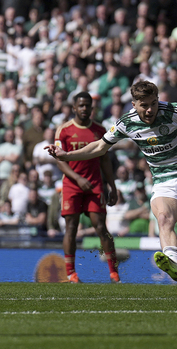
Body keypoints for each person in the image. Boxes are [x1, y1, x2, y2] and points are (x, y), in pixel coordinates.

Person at [45, 81, 177, 297]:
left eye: (153, 103)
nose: (149, 110)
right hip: (163, 181)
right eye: (144, 105)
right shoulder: (126, 122)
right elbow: (100, 146)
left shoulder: (173, 111)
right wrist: (66, 155)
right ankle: (173, 263)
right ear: (134, 104)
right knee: (164, 219)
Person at [51, 92, 121, 284]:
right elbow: (59, 159)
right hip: (72, 185)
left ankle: (114, 273)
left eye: (87, 106)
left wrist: (112, 186)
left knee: (101, 227)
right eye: (80, 105)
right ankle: (71, 273)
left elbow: (105, 159)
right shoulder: (63, 130)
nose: (84, 109)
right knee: (71, 228)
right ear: (74, 108)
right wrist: (77, 178)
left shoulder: (100, 130)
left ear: (92, 108)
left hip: (95, 184)